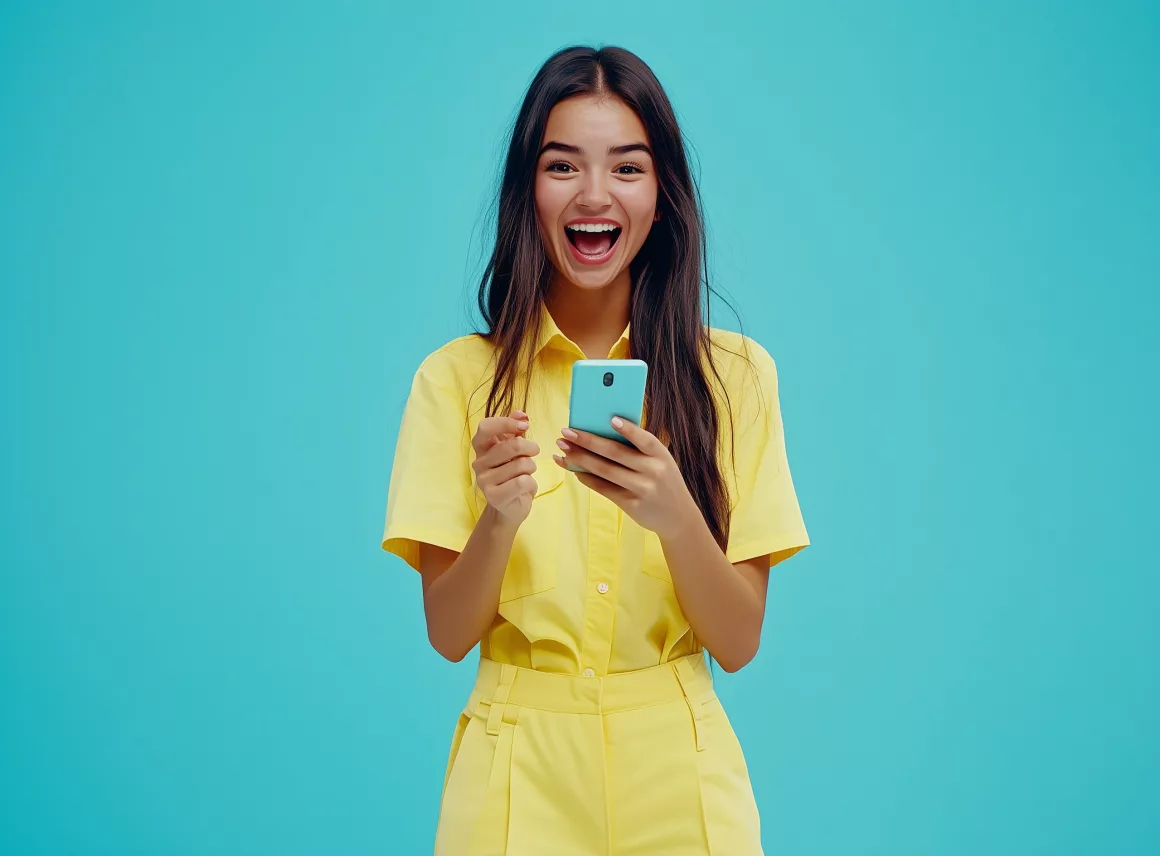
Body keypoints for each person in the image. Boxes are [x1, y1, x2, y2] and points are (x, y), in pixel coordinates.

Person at [381, 44, 809, 856]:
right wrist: (498, 519)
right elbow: (446, 633)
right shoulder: (455, 380)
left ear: (662, 196)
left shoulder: (737, 378)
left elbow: (740, 642)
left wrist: (677, 515)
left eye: (627, 168)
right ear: (527, 191)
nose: (593, 195)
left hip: (678, 773)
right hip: (517, 770)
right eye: (562, 166)